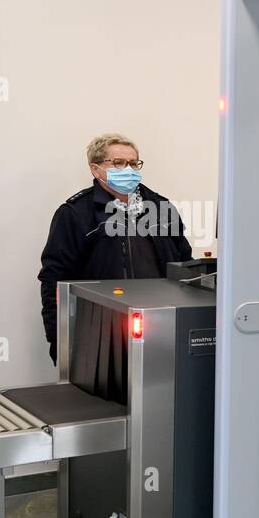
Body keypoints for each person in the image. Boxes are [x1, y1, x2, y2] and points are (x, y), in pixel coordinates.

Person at [38, 134, 192, 363]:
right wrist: (60, 342)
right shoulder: (76, 214)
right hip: (101, 332)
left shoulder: (161, 207)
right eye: (119, 163)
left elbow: (185, 267)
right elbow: (54, 280)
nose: (128, 169)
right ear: (96, 169)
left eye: (133, 163)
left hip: (161, 326)